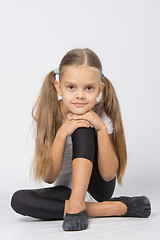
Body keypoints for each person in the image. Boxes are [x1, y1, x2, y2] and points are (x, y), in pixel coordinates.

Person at [10, 48, 151, 231]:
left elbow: (108, 174)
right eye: (71, 87)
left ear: (100, 89)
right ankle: (113, 208)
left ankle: (77, 206)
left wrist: (100, 127)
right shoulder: (48, 117)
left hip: (97, 190)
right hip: (65, 192)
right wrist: (62, 133)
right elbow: (49, 176)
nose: (80, 95)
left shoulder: (101, 117)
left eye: (89, 88)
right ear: (58, 87)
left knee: (82, 126)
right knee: (19, 200)